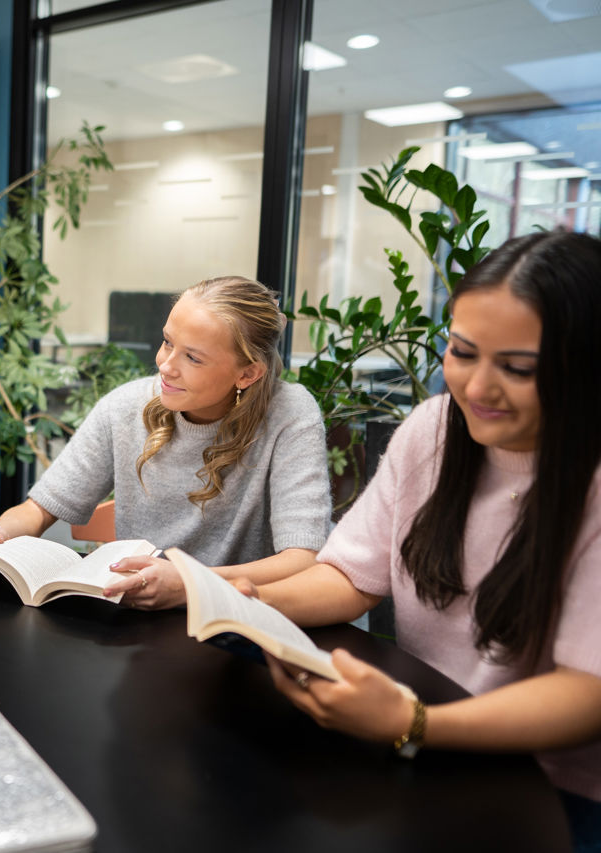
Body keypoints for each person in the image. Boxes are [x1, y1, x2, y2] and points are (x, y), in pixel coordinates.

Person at [241, 231, 601, 851]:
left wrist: (413, 723)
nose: (477, 388)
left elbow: (587, 693)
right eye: (462, 352)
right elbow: (353, 575)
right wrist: (246, 603)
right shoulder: (434, 429)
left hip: (555, 790)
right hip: (419, 747)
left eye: (517, 369)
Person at [0, 275, 331, 609]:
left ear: (248, 373)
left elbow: (303, 558)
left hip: (239, 620)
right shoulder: (125, 406)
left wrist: (190, 585)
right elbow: (39, 509)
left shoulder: (290, 414)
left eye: (193, 357)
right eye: (167, 342)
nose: (166, 365)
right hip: (137, 620)